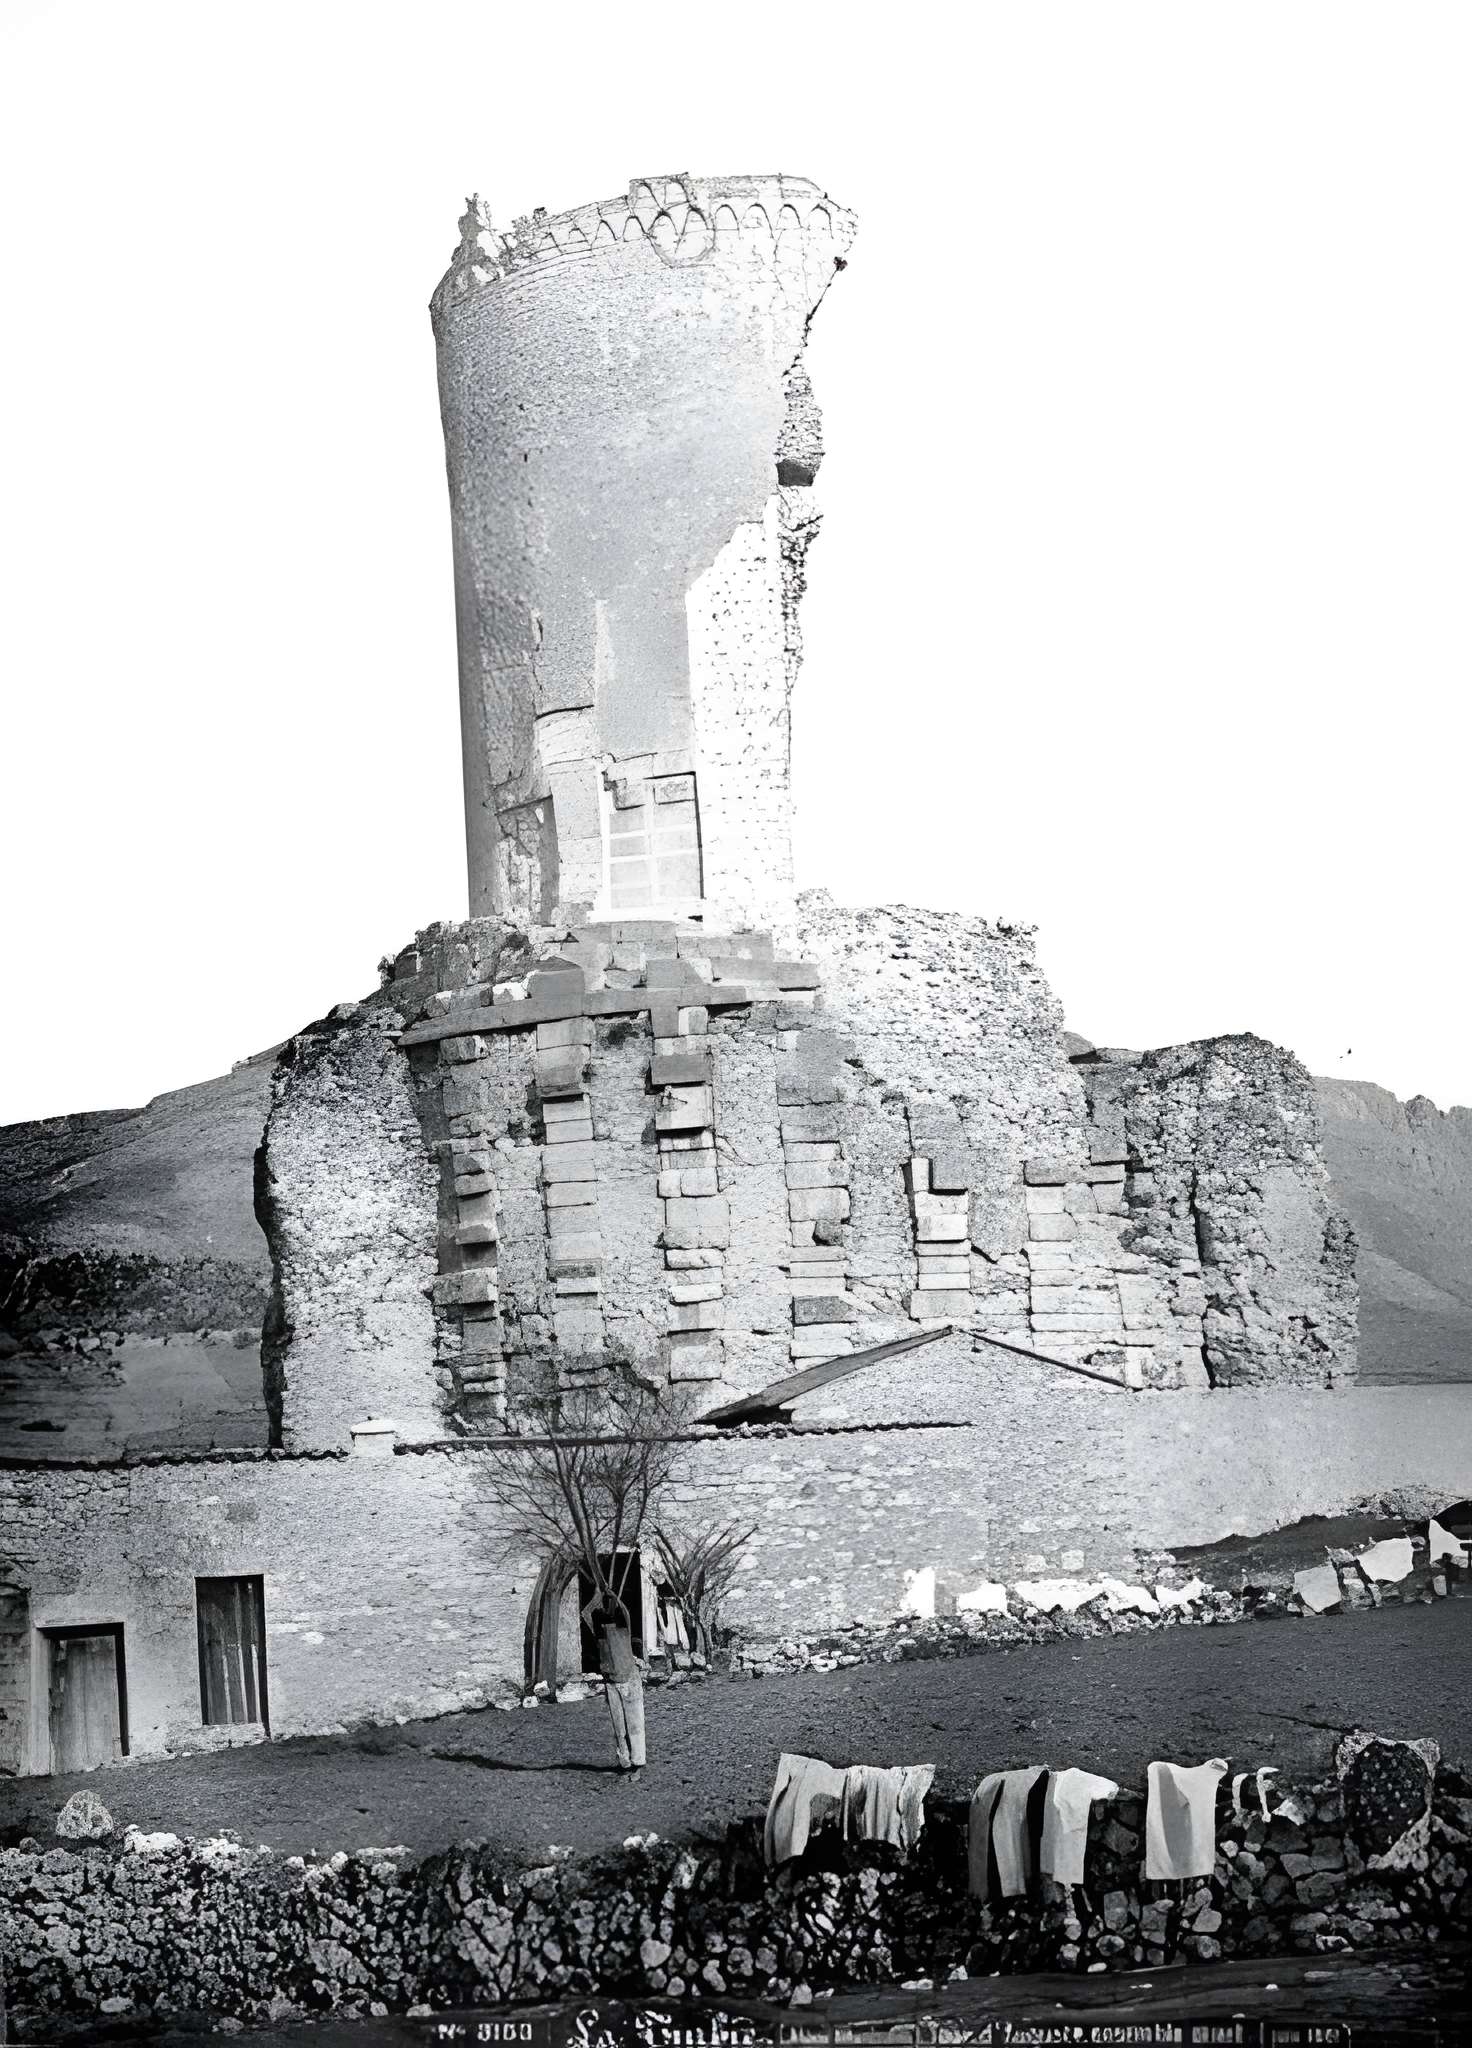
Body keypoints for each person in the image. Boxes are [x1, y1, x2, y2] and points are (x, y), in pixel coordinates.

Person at [586, 1588, 645, 1773]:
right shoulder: (604, 1630)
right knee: (623, 1724)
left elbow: (623, 1613)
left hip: (624, 1678)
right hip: (615, 1680)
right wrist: (605, 1593)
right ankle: (629, 1761)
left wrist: (608, 1594)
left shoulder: (616, 1627)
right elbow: (588, 1613)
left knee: (630, 1723)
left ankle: (633, 1761)